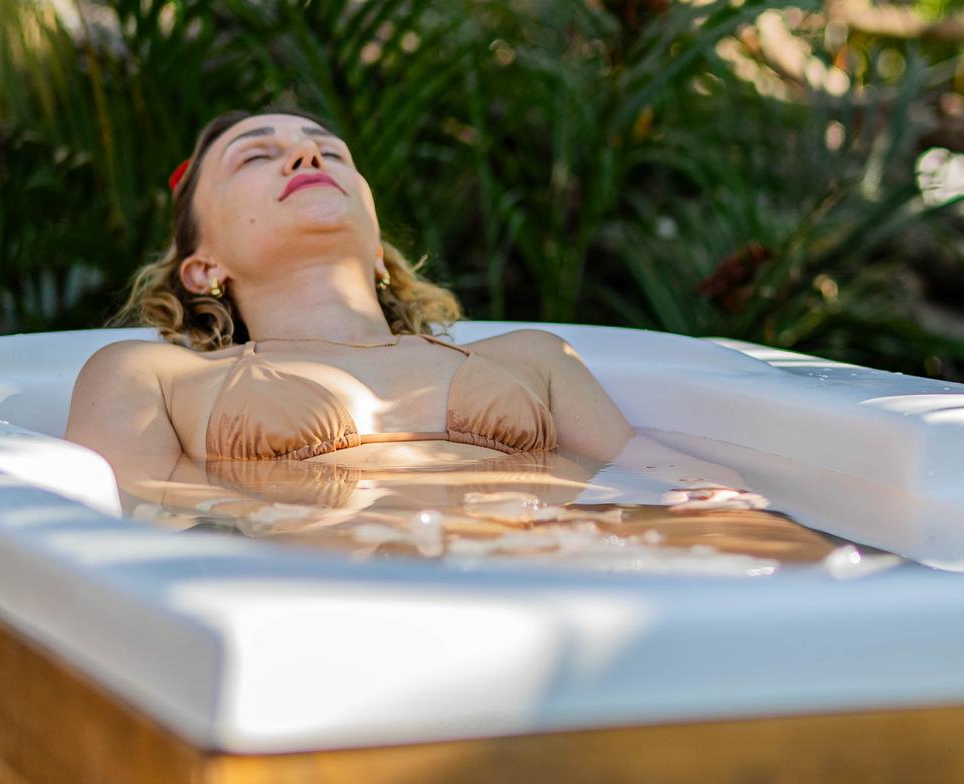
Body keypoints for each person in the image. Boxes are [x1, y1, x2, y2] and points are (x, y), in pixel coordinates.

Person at [65, 106, 844, 564]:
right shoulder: (148, 377)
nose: (307, 153)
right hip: (335, 591)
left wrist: (787, 540)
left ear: (377, 246)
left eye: (327, 150)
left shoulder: (531, 358)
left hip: (580, 562)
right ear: (202, 269)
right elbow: (131, 532)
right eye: (257, 156)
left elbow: (665, 476)